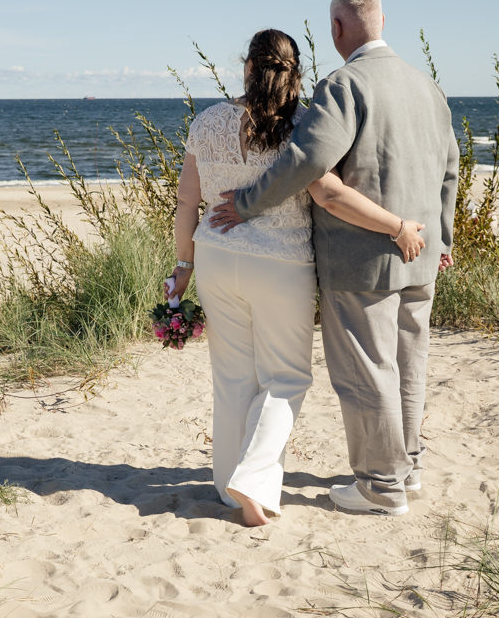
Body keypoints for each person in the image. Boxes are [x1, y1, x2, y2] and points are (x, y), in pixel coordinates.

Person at [211, 0, 458, 517]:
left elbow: (308, 161)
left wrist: (248, 203)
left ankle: (381, 486)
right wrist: (444, 236)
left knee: (367, 372)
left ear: (337, 29)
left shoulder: (345, 85)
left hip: (360, 258)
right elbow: (449, 169)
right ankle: (408, 469)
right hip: (421, 252)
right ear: (384, 21)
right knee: (408, 367)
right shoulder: (427, 85)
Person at [166, 28, 427, 528]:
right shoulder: (303, 125)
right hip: (281, 264)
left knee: (232, 377)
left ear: (247, 67)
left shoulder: (206, 121)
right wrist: (396, 226)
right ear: (295, 73)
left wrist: (183, 267)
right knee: (286, 378)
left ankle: (228, 488)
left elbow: (186, 200)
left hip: (215, 257)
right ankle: (253, 480)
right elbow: (329, 194)